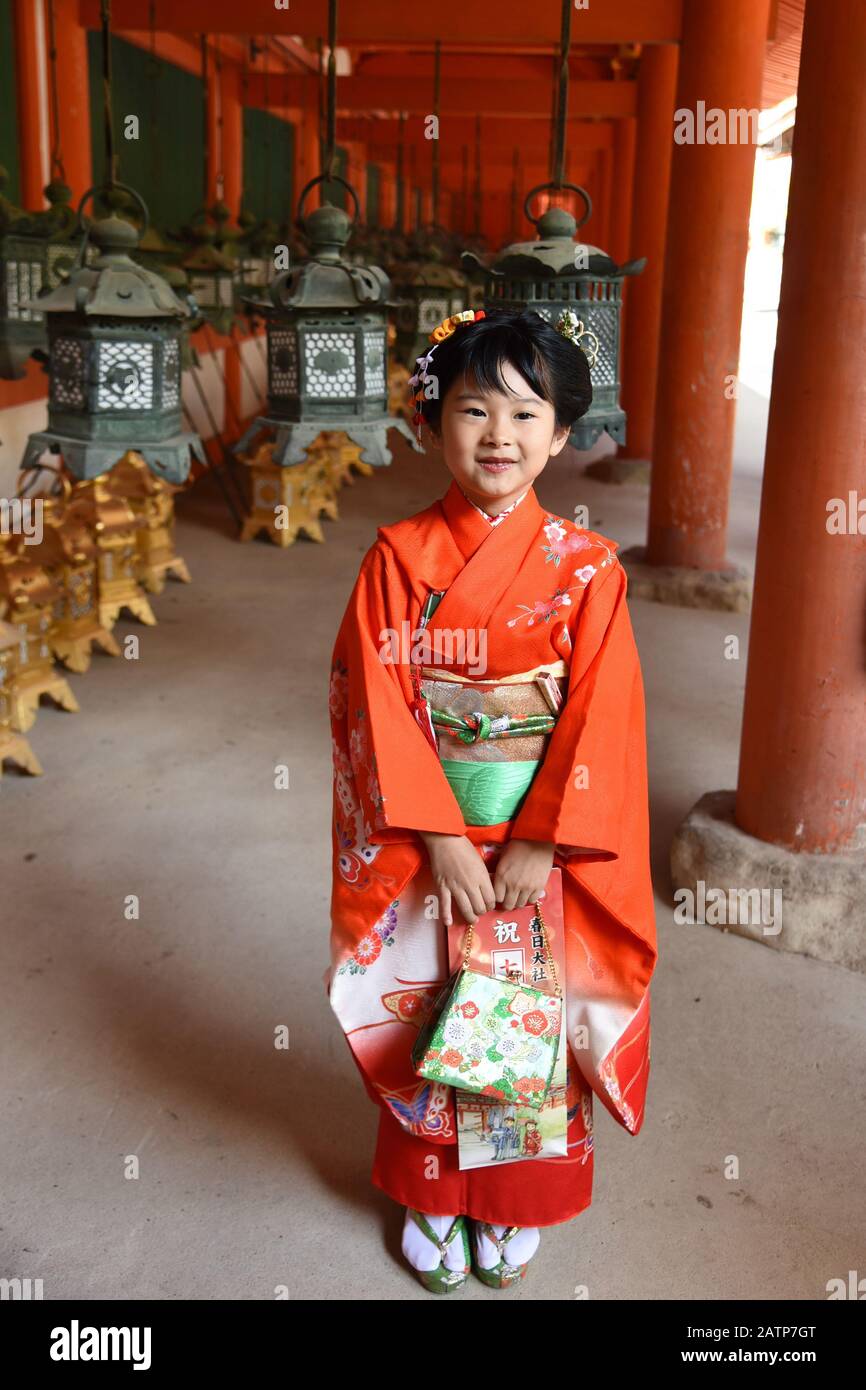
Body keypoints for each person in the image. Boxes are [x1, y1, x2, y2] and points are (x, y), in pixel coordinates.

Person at [325, 306, 657, 1294]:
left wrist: (542, 840)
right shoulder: (396, 558)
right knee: (431, 1013)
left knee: (522, 1029)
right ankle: (428, 1193)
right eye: (472, 409)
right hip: (430, 848)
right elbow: (374, 702)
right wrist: (438, 837)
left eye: (525, 412)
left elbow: (604, 715)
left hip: (532, 849)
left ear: (560, 435)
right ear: (434, 423)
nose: (498, 436)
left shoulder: (585, 570)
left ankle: (510, 1203)